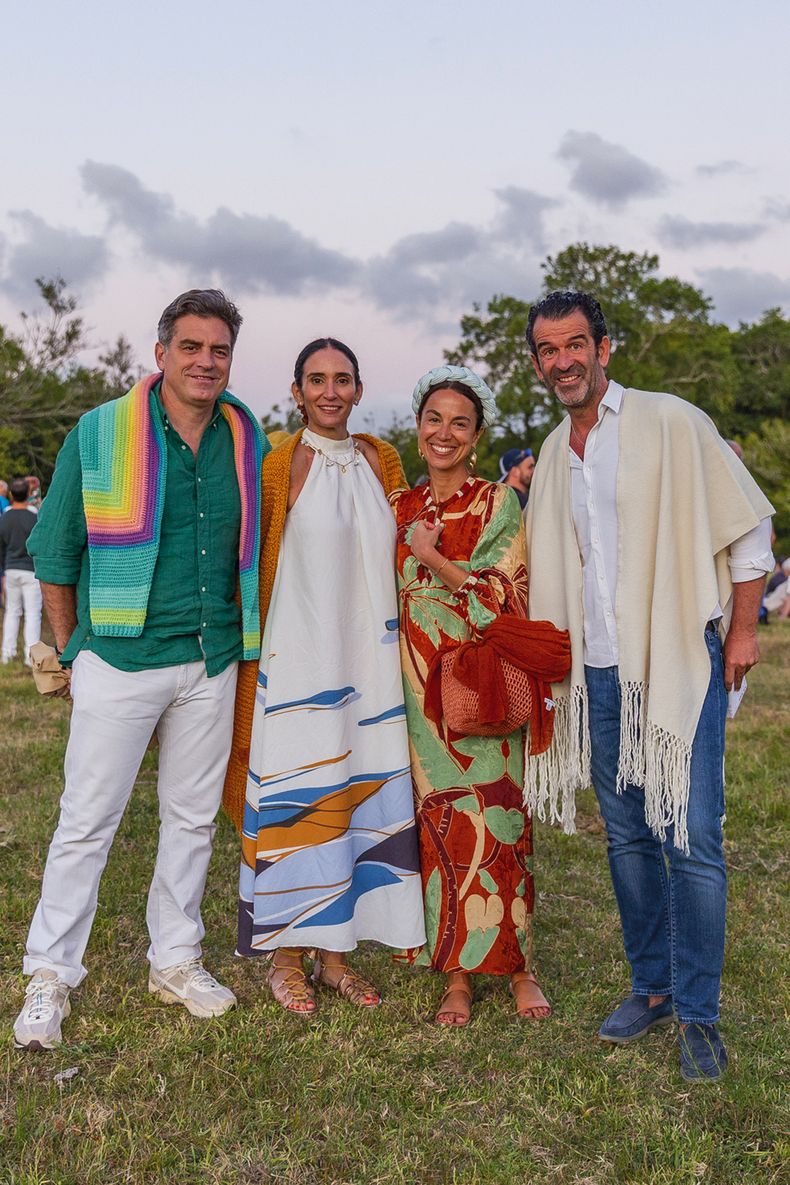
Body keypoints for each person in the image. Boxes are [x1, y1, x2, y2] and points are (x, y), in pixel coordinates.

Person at [524, 291, 774, 1081]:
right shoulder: (556, 448)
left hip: (670, 653)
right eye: (547, 351)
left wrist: (741, 628)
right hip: (595, 668)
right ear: (538, 363)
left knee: (693, 835)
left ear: (605, 347)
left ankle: (699, 1012)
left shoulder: (670, 421)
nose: (563, 361)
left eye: (575, 345)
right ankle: (654, 987)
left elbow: (749, 526)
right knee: (628, 835)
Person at [13, 289, 268, 1050]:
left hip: (211, 656)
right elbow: (54, 550)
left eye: (218, 349)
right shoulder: (100, 431)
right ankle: (50, 972)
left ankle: (176, 958)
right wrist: (73, 653)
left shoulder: (243, 435)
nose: (205, 361)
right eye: (190, 346)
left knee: (191, 820)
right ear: (160, 354)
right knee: (87, 820)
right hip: (119, 658)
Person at [222, 338, 425, 1014]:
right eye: (317, 380)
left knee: (357, 797)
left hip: (370, 668)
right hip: (299, 665)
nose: (331, 391)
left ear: (359, 389)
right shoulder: (278, 465)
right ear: (297, 389)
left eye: (342, 379)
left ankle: (336, 956)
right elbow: (247, 557)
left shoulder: (379, 458)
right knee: (300, 801)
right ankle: (284, 957)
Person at [391, 365, 556, 1027]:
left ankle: (519, 965)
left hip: (484, 688)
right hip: (416, 697)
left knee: (502, 823)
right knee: (438, 830)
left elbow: (501, 596)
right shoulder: (401, 507)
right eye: (435, 419)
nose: (445, 433)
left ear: (479, 434)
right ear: (419, 425)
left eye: (460, 422)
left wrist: (433, 559)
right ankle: (455, 975)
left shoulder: (497, 504)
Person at [0, 477, 43, 664]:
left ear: (11, 494)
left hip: (10, 569)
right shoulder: (34, 516)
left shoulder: (5, 517)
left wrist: (2, 572)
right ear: (28, 493)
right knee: (33, 613)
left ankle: (7, 653)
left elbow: (1, 546)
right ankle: (30, 655)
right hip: (30, 569)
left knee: (12, 611)